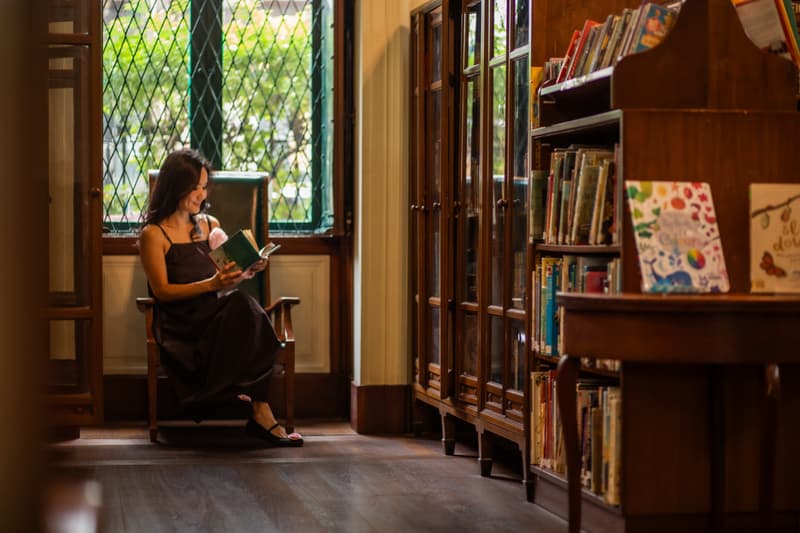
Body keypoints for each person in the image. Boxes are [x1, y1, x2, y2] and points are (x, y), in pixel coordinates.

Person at [139, 148, 302, 447]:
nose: (201, 194)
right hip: (181, 327)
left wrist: (250, 265)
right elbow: (161, 291)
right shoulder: (153, 234)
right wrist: (212, 283)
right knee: (243, 306)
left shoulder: (209, 225)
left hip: (213, 320)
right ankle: (259, 411)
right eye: (195, 187)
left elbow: (229, 273)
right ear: (175, 186)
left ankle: (257, 407)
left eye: (204, 186)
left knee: (242, 303)